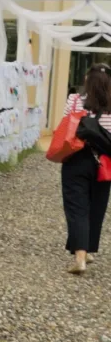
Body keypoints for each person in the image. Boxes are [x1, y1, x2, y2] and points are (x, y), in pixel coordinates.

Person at [60, 64, 111, 275]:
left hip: (76, 158)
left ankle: (80, 256)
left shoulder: (74, 100)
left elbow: (64, 126)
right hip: (105, 163)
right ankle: (88, 249)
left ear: (87, 80)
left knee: (76, 207)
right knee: (96, 207)